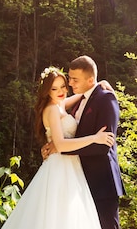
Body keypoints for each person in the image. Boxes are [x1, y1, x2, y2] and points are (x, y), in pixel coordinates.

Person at [1, 66, 115, 229]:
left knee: (69, 215)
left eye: (63, 86)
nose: (61, 91)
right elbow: (60, 145)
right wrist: (95, 138)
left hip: (71, 166)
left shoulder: (60, 104)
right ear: (47, 91)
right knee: (58, 215)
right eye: (54, 88)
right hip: (60, 166)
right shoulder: (52, 109)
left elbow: (82, 95)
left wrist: (99, 83)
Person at [43, 55, 126, 229]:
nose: (70, 83)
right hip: (79, 179)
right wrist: (56, 143)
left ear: (90, 80)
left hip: (101, 181)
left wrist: (60, 148)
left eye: (74, 79)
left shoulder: (106, 99)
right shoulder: (78, 100)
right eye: (70, 78)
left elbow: (103, 145)